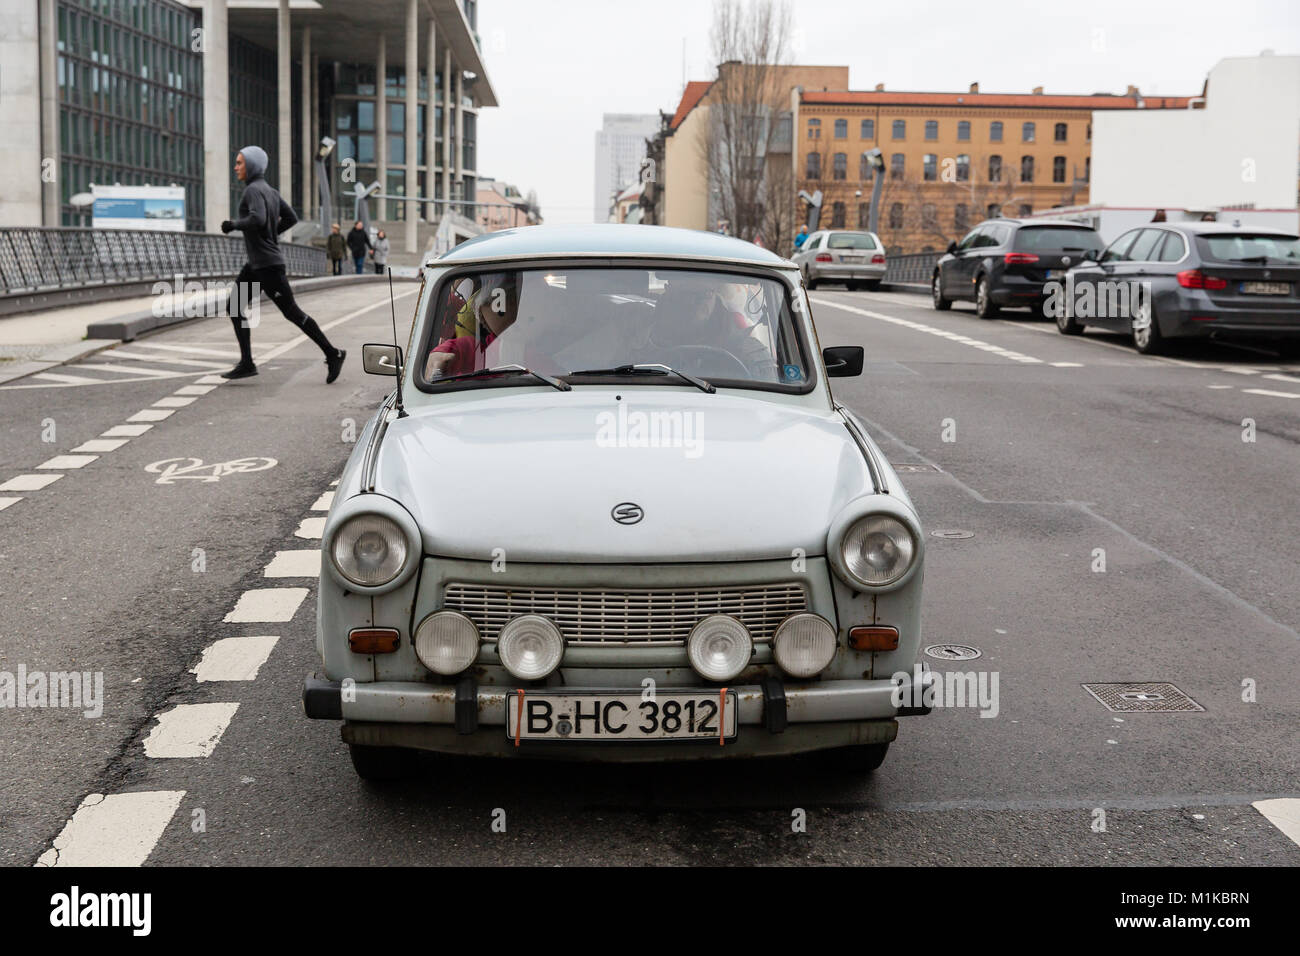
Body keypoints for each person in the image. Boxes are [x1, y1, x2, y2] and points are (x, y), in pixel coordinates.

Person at [219, 146, 346, 383]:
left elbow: (257, 218)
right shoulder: (271, 191)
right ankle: (247, 362)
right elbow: (291, 218)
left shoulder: (252, 191)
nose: (236, 167)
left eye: (239, 163)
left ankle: (333, 353)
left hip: (267, 266)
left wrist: (233, 225)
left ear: (252, 165)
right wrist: (271, 234)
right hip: (258, 265)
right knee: (235, 306)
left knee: (292, 313)